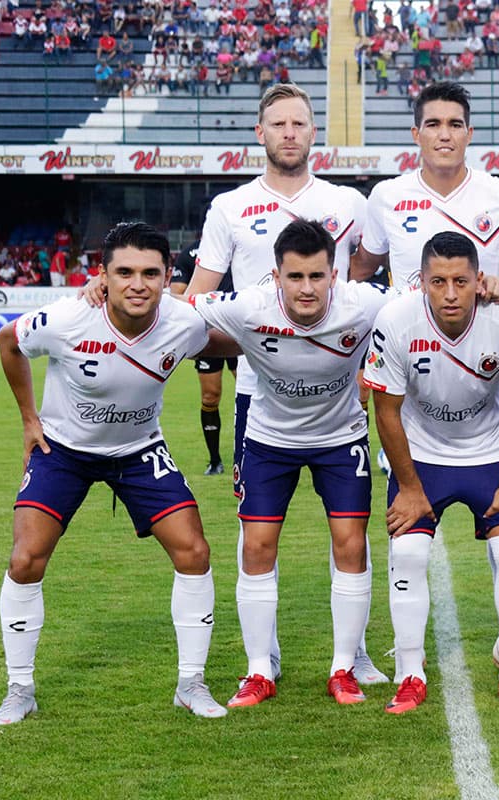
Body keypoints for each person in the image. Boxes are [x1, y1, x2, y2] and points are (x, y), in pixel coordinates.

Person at [181, 83, 382, 686]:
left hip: (337, 397)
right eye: (279, 124)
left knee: (349, 532)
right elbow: (196, 301)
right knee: (258, 537)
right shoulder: (230, 207)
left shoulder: (348, 203)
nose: (290, 132)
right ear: (260, 133)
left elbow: (368, 291)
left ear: (314, 131)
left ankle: (356, 655)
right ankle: (261, 662)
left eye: (300, 122)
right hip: (259, 398)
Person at [0, 222, 226, 725]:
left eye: (149, 273)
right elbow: (10, 341)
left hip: (140, 450)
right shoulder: (68, 318)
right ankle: (19, 689)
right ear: (104, 276)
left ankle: (191, 683)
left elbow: (236, 342)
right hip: (64, 450)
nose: (137, 283)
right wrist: (30, 420)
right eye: (124, 272)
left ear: (167, 278)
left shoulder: (185, 323)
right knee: (26, 557)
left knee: (195, 550)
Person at [190, 219, 390, 709]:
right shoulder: (247, 307)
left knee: (351, 545)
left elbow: (427, 299)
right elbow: (172, 312)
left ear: (335, 275)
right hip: (268, 440)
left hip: (340, 439)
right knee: (256, 548)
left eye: (316, 277)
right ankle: (259, 671)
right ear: (275, 276)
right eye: (295, 277)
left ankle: (343, 669)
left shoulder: (364, 303)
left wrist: (490, 287)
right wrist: (99, 290)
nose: (306, 288)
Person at [364, 232, 499, 714]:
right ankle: (409, 672)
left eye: (461, 281)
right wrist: (408, 488)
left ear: (478, 279)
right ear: (420, 281)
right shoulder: (396, 320)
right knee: (407, 552)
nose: (449, 293)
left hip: (488, 452)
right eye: (438, 281)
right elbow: (386, 410)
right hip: (421, 454)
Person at [350, 81, 499, 292]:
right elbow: (362, 266)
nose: (445, 135)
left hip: (484, 323)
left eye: (455, 125)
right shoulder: (386, 196)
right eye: (433, 124)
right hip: (409, 323)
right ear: (416, 134)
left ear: (469, 134)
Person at [171, 237, 236, 476]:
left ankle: (253, 453)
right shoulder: (190, 254)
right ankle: (215, 460)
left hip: (243, 331)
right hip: (208, 334)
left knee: (252, 392)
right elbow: (176, 292)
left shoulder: (242, 248)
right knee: (210, 396)